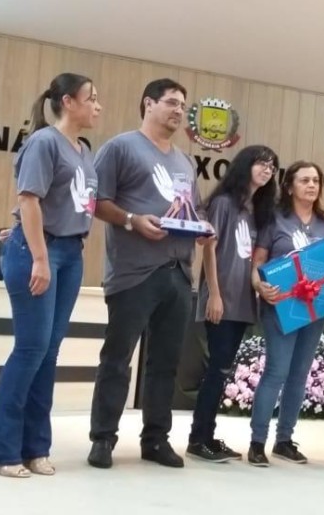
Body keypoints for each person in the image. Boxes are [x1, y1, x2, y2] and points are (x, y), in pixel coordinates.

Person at [0, 72, 101, 478]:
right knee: (30, 349)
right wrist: (40, 258)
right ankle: (1, 449)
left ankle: (35, 447)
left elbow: (79, 203)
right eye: (91, 98)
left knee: (49, 352)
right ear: (68, 102)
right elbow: (28, 200)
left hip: (71, 252)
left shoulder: (83, 150)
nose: (97, 106)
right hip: (38, 251)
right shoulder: (44, 142)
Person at [87, 78, 214, 470]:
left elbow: (191, 210)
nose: (179, 111)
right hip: (134, 272)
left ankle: (156, 439)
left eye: (183, 106)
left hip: (178, 273)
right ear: (148, 103)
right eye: (171, 102)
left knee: (166, 363)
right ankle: (103, 438)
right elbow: (95, 201)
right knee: (117, 358)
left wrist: (202, 228)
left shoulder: (185, 162)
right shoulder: (120, 148)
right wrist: (131, 220)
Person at [247, 160, 324, 467]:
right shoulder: (275, 219)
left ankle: (284, 440)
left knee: (299, 375)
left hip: (315, 310)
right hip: (280, 307)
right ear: (290, 186)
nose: (311, 185)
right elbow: (257, 262)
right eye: (304, 180)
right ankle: (257, 442)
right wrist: (259, 285)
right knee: (276, 371)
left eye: (315, 181)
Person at [185, 145, 278, 463]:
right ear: (244, 165)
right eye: (261, 163)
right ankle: (198, 439)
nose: (267, 170)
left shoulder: (257, 210)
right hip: (221, 300)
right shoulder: (223, 203)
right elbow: (209, 249)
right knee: (217, 370)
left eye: (272, 167)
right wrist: (214, 294)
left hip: (242, 302)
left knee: (222, 371)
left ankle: (208, 436)